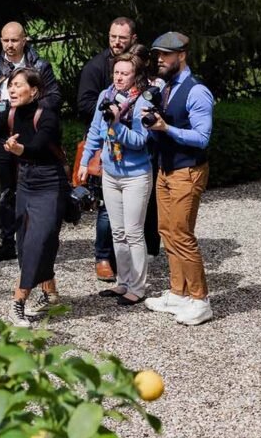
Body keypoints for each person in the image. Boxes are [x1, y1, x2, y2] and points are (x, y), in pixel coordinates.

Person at [0, 68, 66, 326]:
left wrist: (19, 149)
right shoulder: (9, 114)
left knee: (37, 242)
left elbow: (38, 147)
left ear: (34, 90)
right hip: (26, 183)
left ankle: (17, 303)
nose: (12, 90)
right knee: (26, 243)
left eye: (18, 85)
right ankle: (50, 293)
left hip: (50, 183)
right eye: (10, 86)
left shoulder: (47, 115)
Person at [77, 17, 161, 280]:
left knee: (134, 232)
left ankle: (137, 285)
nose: (120, 77)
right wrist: (84, 162)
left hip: (135, 172)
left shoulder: (142, 102)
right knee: (117, 231)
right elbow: (93, 131)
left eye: (125, 73)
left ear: (135, 75)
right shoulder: (105, 96)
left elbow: (139, 141)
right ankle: (122, 281)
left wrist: (116, 124)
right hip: (110, 171)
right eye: (116, 73)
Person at [143, 32, 214, 326]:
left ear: (182, 55)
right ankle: (178, 292)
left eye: (166, 55)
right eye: (158, 54)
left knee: (183, 234)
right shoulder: (164, 86)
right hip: (165, 169)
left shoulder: (197, 92)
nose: (160, 59)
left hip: (188, 170)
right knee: (166, 230)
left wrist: (166, 128)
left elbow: (202, 137)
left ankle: (201, 300)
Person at [0, 22, 61, 263]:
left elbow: (54, 97)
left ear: (24, 40)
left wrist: (27, 107)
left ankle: (33, 239)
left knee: (31, 189)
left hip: (29, 135)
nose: (10, 45)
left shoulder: (39, 65)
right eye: (5, 41)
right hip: (1, 133)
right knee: (6, 192)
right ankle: (7, 242)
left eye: (14, 40)